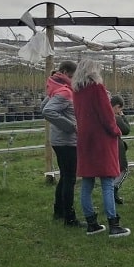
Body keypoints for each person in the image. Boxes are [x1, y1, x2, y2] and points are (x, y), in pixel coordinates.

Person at [71, 58, 131, 238]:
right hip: (101, 140)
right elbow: (107, 115)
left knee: (87, 182)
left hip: (85, 139)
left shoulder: (76, 91)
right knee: (107, 182)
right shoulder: (97, 89)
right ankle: (114, 224)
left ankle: (92, 223)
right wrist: (116, 130)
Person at [41, 60, 81, 227]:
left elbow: (44, 105)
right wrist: (71, 126)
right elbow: (47, 110)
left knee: (65, 176)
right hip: (66, 141)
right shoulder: (64, 91)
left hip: (59, 140)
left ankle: (59, 210)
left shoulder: (55, 87)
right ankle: (69, 218)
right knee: (70, 178)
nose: (74, 80)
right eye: (72, 76)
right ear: (65, 72)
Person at [110, 94, 130, 205]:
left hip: (108, 148)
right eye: (120, 109)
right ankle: (114, 190)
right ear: (117, 106)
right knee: (123, 170)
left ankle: (111, 193)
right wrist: (122, 116)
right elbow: (126, 130)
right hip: (116, 146)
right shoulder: (115, 117)